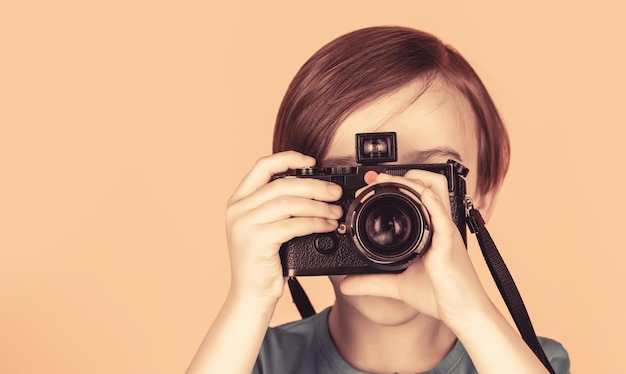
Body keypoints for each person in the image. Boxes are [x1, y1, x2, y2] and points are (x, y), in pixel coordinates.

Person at [186, 26, 570, 374]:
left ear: (479, 194)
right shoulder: (249, 357)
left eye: (424, 181)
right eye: (345, 183)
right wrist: (248, 300)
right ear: (290, 199)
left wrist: (472, 314)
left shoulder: (523, 360)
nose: (384, 216)